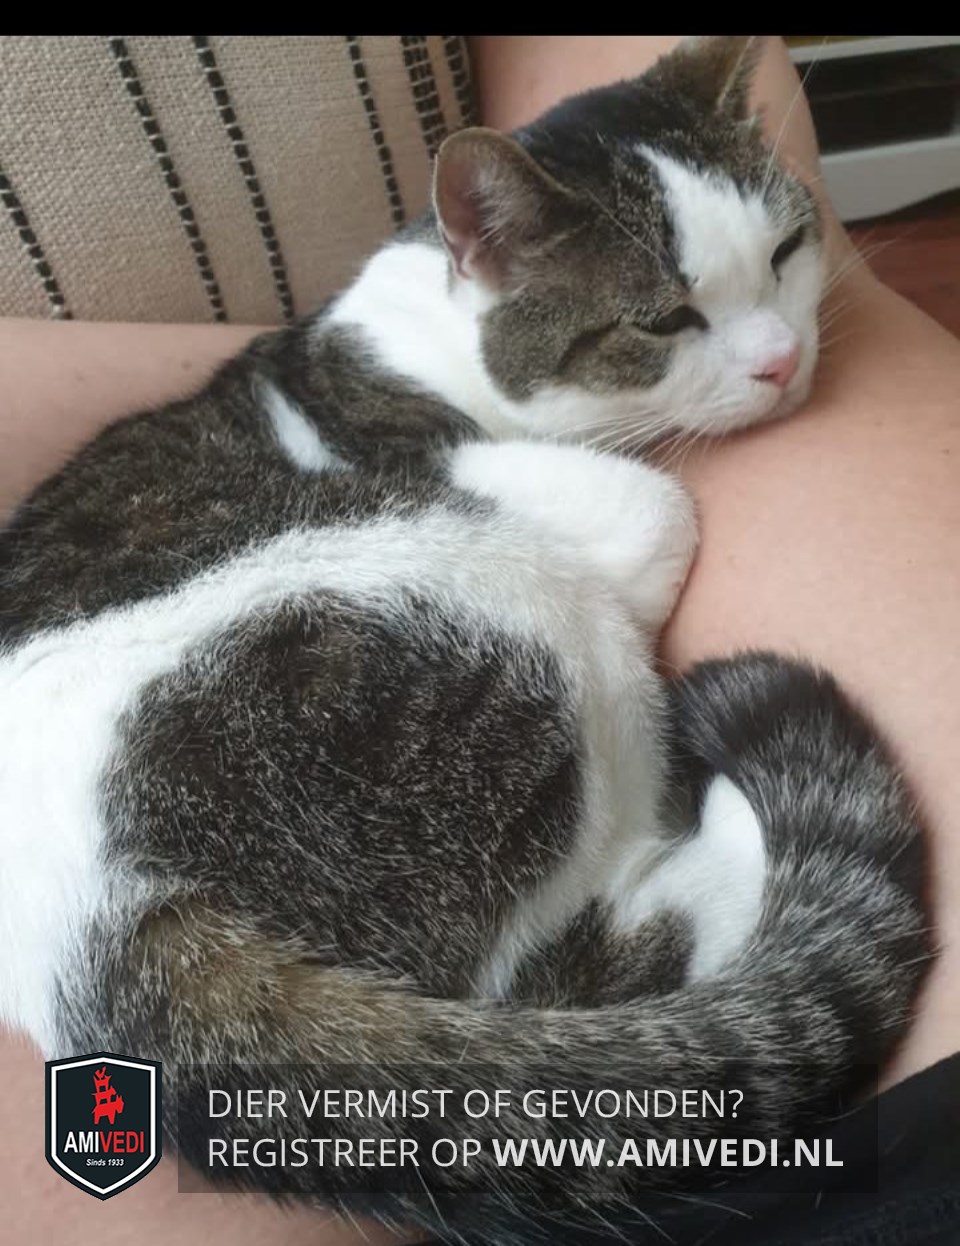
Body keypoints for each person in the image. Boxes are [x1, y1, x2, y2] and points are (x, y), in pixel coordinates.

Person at [1, 35, 957, 1245]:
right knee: (622, 527)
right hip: (197, 848)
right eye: (668, 322)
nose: (777, 351)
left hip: (85, 913)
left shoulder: (372, 368)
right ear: (488, 258)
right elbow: (629, 539)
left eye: (781, 257)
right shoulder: (393, 389)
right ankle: (630, 943)